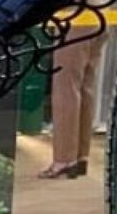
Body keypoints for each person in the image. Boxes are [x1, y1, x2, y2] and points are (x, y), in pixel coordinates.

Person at [41, 34, 104, 179]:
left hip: (74, 25)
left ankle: (65, 160)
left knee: (65, 87)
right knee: (85, 87)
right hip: (98, 24)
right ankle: (81, 156)